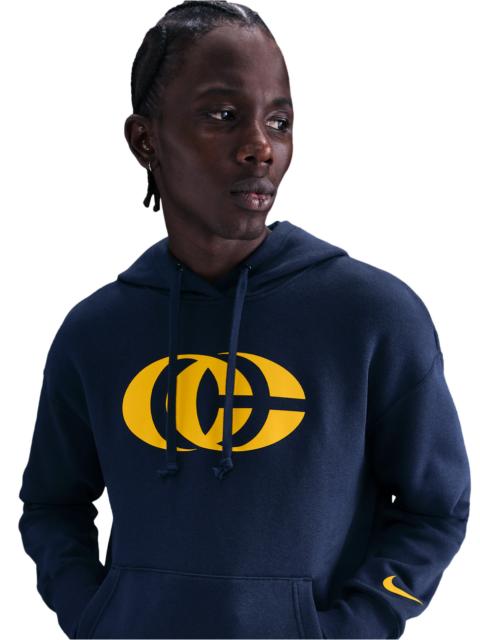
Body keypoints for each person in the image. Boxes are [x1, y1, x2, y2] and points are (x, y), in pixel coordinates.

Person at [18, 1, 471, 639]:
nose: (261, 147)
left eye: (279, 121)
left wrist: (355, 628)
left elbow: (436, 508)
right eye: (223, 116)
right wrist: (97, 618)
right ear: (146, 140)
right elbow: (52, 505)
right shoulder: (95, 332)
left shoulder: (374, 317)